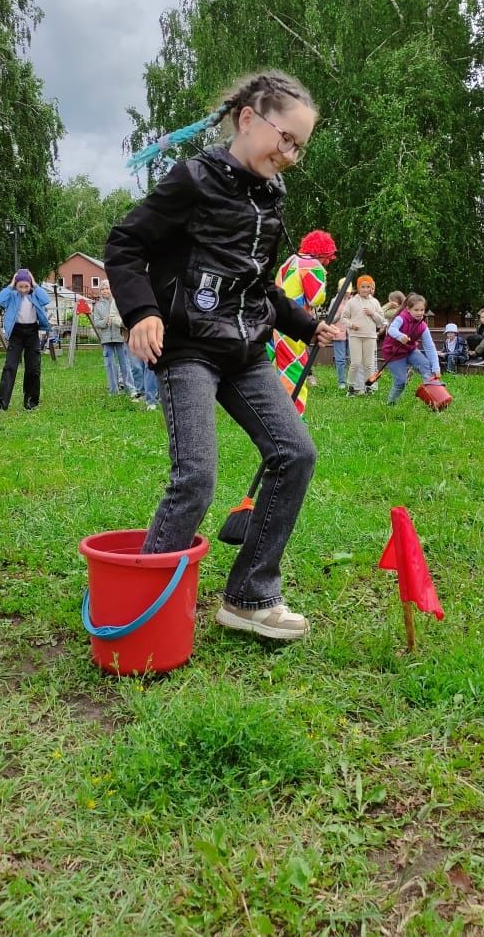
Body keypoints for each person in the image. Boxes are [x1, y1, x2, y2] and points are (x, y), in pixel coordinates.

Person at [105, 69, 340, 642]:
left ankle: (249, 596)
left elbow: (258, 284)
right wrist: (142, 313)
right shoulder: (194, 178)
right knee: (197, 477)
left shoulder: (272, 198)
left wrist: (307, 325)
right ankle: (144, 597)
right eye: (285, 138)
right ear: (248, 119)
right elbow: (124, 244)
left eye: (299, 149)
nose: (289, 155)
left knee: (295, 453)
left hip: (246, 351)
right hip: (187, 348)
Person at [267, 229, 336, 413]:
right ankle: (294, 414)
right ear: (322, 253)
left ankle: (276, 409)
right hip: (295, 324)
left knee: (275, 367)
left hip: (277, 320)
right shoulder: (313, 265)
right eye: (328, 257)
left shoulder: (289, 261)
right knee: (294, 368)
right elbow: (316, 298)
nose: (328, 262)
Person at [0, 269, 51, 412]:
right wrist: (11, 284)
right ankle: (0, 403)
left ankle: (31, 402)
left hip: (32, 332)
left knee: (33, 368)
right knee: (10, 367)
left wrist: (34, 284)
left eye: (26, 286)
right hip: (16, 333)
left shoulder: (35, 295)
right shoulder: (12, 295)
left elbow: (46, 299)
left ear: (30, 286)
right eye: (20, 286)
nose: (23, 290)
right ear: (16, 286)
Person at [382, 292, 441, 405]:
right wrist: (400, 336)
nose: (420, 313)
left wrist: (436, 367)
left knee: (426, 366)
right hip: (394, 353)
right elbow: (391, 329)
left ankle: (434, 398)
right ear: (408, 309)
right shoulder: (401, 318)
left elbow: (430, 347)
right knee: (400, 381)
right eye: (416, 310)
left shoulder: (422, 326)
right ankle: (390, 404)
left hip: (410, 350)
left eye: (422, 310)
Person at [341, 274, 386, 395]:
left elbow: (381, 321)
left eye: (368, 287)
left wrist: (373, 314)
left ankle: (369, 387)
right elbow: (343, 318)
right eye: (363, 287)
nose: (365, 289)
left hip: (370, 336)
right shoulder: (352, 302)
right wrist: (351, 325)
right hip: (355, 336)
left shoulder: (375, 302)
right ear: (358, 287)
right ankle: (351, 387)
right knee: (355, 363)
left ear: (371, 288)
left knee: (369, 364)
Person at [91, 279, 135, 398]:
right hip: (106, 339)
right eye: (103, 289)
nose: (105, 291)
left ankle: (130, 388)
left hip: (119, 337)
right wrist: (105, 321)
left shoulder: (118, 302)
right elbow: (97, 323)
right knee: (109, 365)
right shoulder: (98, 305)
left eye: (107, 288)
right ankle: (113, 390)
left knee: (124, 363)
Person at [328, 277, 352, 390]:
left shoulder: (353, 300)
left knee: (351, 358)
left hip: (352, 333)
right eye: (345, 291)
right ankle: (341, 382)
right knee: (340, 359)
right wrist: (340, 315)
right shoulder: (335, 300)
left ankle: (351, 381)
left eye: (349, 291)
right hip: (338, 333)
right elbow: (330, 319)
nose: (347, 293)